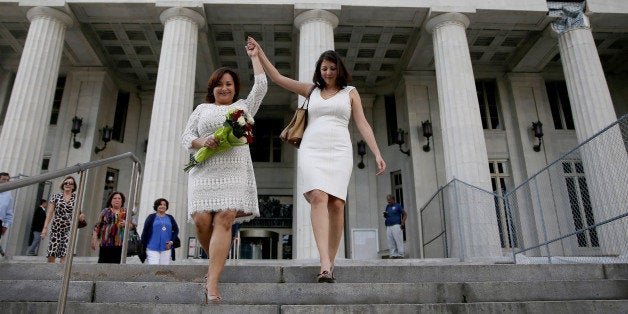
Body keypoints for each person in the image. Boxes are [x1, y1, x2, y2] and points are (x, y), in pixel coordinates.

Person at [248, 38, 386, 282]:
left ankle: (330, 263)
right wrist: (258, 54)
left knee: (337, 205)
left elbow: (362, 123)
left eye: (332, 68)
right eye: (324, 68)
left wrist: (377, 152)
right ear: (319, 71)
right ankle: (324, 262)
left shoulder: (350, 93)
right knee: (319, 197)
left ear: (339, 69)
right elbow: (279, 78)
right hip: (312, 149)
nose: (328, 72)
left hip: (340, 150)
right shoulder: (311, 90)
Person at [181, 37, 266, 303]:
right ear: (212, 88)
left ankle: (213, 284)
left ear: (234, 87)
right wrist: (202, 141)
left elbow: (261, 86)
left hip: (234, 171)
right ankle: (214, 265)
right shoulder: (201, 109)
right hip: (204, 169)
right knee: (202, 221)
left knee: (225, 218)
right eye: (219, 84)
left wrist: (255, 56)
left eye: (228, 84)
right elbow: (186, 137)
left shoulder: (242, 107)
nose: (224, 88)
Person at [40, 176, 86, 263]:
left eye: (70, 183)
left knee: (65, 252)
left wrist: (81, 216)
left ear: (73, 186)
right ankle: (49, 273)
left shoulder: (76, 198)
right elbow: (50, 213)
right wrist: (45, 228)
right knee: (52, 252)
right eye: (66, 183)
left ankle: (61, 274)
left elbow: (79, 213)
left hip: (69, 228)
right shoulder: (56, 197)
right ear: (63, 185)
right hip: (56, 227)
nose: (68, 184)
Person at [91, 191, 135, 263]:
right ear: (111, 201)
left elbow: (133, 226)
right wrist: (94, 238)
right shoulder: (105, 211)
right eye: (114, 198)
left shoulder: (126, 212)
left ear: (122, 201)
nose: (117, 200)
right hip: (106, 243)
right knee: (103, 264)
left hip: (120, 244)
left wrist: (126, 224)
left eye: (119, 198)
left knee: (117, 265)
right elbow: (97, 226)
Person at [140, 198, 179, 265]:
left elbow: (176, 230)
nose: (162, 206)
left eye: (164, 205)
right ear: (156, 206)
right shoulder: (151, 217)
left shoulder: (170, 217)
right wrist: (142, 245)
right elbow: (145, 231)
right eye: (160, 204)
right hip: (152, 247)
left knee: (163, 269)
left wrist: (172, 241)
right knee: (153, 266)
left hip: (166, 247)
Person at [383, 195, 407, 259]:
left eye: (389, 200)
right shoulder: (387, 206)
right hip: (388, 226)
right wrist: (385, 215)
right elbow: (386, 216)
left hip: (396, 225)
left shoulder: (398, 205)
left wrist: (403, 222)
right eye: (387, 200)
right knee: (390, 241)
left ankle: (401, 254)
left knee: (398, 240)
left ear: (393, 199)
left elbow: (405, 214)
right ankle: (393, 254)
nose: (388, 201)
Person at [0, 172, 14, 257]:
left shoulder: (8, 196)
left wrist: (6, 225)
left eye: (8, 180)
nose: (6, 182)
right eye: (4, 179)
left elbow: (9, 212)